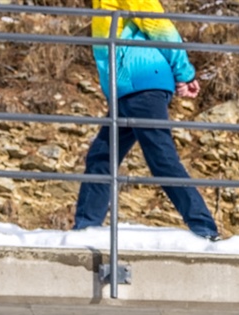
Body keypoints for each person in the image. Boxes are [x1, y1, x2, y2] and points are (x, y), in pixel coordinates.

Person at [71, 0, 220, 241]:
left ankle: (204, 228)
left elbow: (161, 28)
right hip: (127, 91)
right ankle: (85, 229)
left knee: (161, 159)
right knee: (101, 157)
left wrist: (184, 72)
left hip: (142, 85)